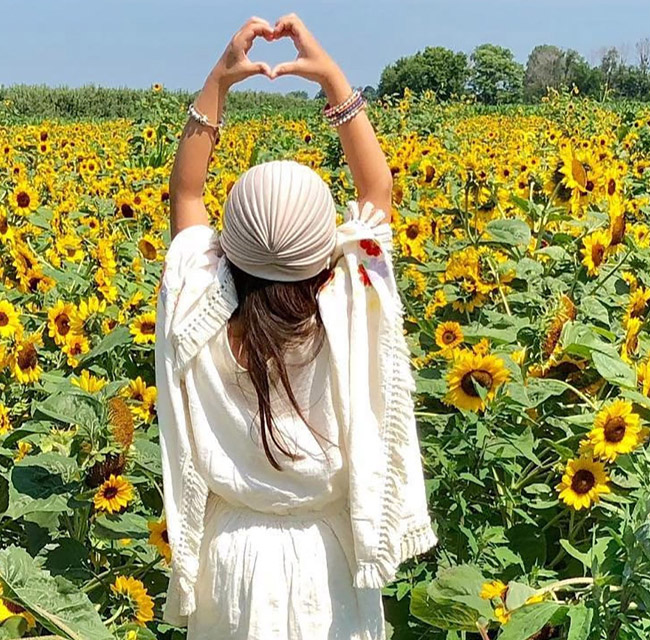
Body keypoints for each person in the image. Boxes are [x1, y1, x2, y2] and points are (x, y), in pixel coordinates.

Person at [156, 14, 436, 640]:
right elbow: (377, 189)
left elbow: (185, 196)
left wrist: (216, 88)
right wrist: (334, 80)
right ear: (326, 254)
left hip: (229, 559)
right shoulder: (349, 309)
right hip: (328, 559)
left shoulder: (201, 310)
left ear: (224, 249)